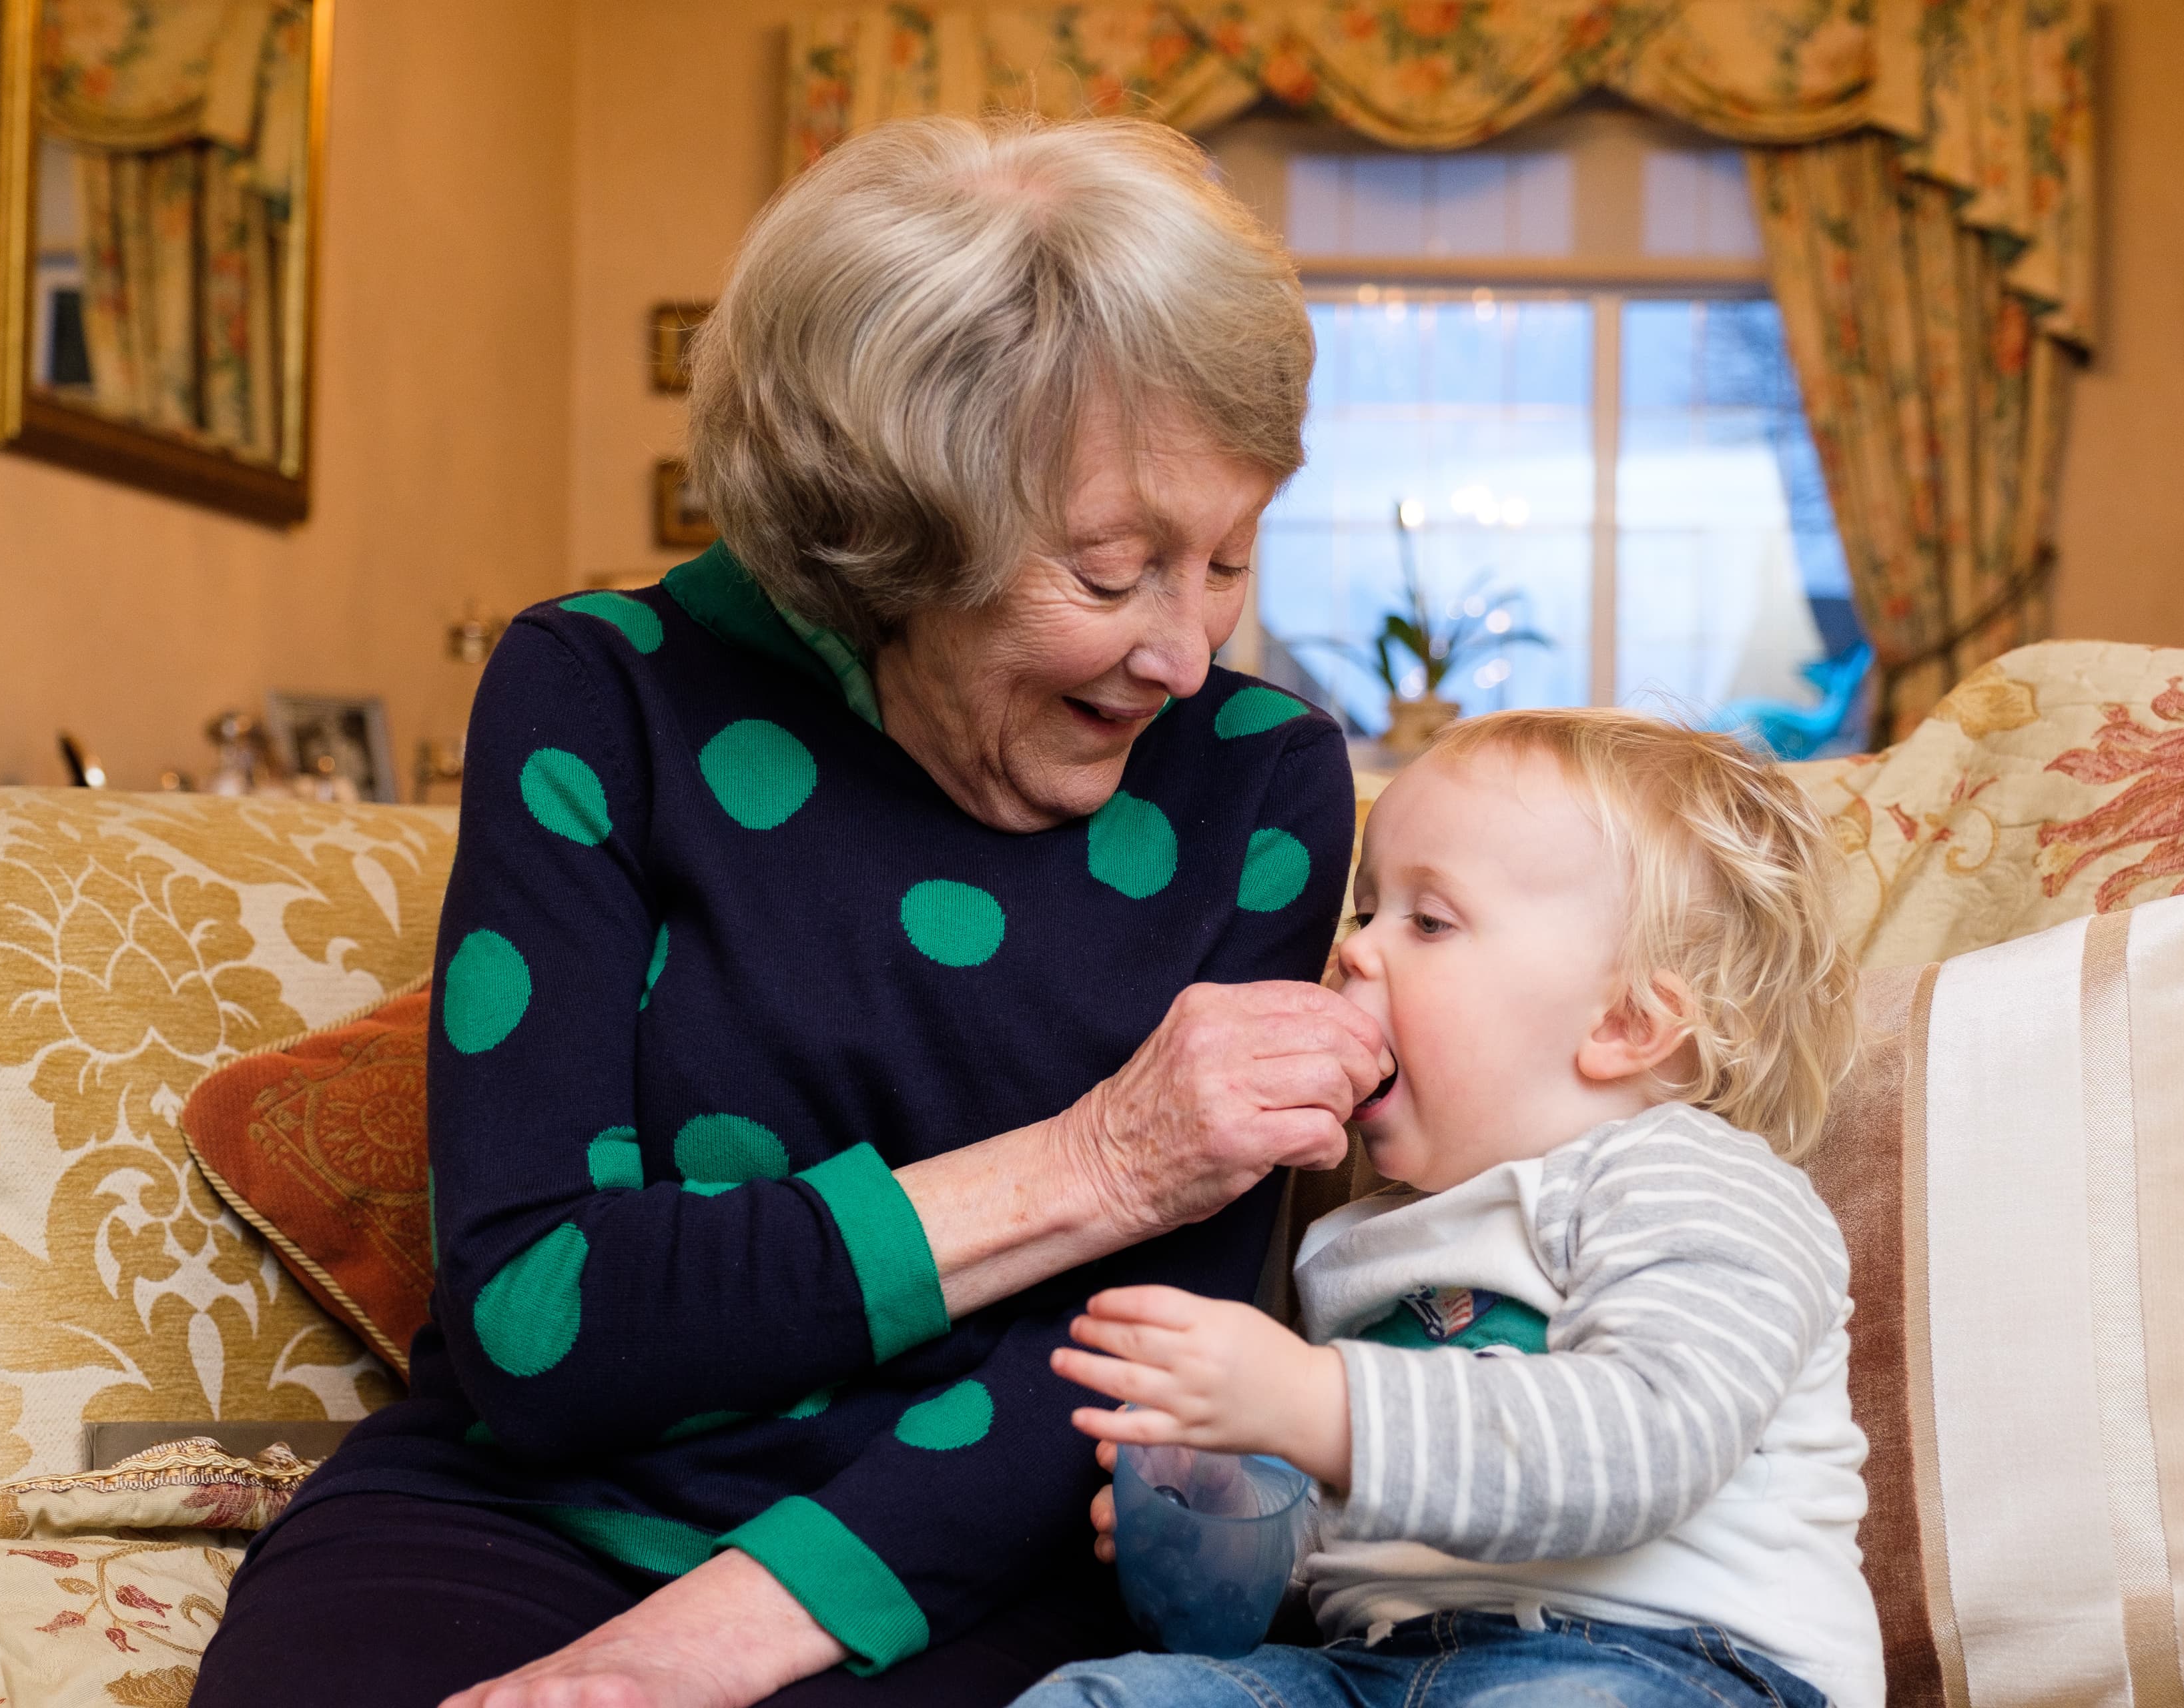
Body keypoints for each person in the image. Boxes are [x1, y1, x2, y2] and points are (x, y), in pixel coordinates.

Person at [193, 113, 1389, 1708]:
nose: (1186, 651)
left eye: (1229, 554)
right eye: (1111, 577)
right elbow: (540, 1324)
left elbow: (1150, 1367)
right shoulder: (602, 692)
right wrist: (1095, 1161)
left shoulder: (1257, 783)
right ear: (894, 533)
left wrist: (682, 1653)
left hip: (974, 1550)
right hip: (522, 1512)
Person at [1020, 709, 1884, 1708]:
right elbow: (1357, 1533)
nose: (1355, 954)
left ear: (1628, 1024)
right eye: (1365, 911)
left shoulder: (1691, 1178)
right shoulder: (1356, 1236)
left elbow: (1654, 1436)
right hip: (1370, 1669)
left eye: (1429, 923)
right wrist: (1233, 1510)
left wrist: (1315, 1403)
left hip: (1669, 1665)